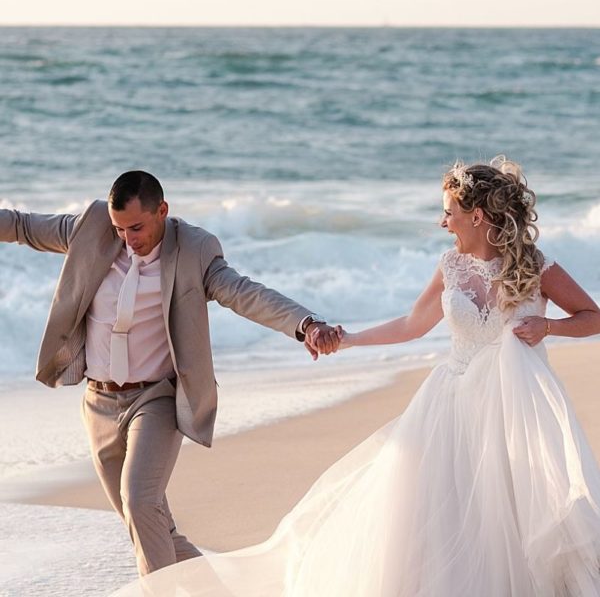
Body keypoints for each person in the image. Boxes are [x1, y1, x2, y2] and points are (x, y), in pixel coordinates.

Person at [112, 156, 600, 596]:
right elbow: (412, 325)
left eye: (449, 211)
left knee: (515, 507)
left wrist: (549, 326)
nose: (442, 220)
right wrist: (347, 340)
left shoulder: (534, 266)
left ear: (477, 215)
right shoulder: (451, 265)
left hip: (515, 403)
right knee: (447, 510)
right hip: (454, 400)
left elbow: (592, 316)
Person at [0, 171, 341, 576]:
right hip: (99, 403)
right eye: (119, 228)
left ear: (162, 211)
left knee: (140, 502)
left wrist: (306, 324)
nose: (128, 238)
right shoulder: (91, 228)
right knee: (152, 526)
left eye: (137, 227)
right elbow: (21, 225)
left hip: (156, 399)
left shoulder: (194, 250)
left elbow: (245, 293)